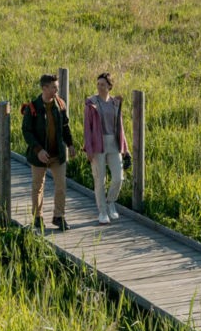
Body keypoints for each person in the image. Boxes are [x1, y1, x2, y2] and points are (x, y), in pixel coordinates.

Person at [22, 73, 74, 230]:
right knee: (38, 186)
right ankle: (38, 217)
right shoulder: (33, 107)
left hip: (57, 153)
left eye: (57, 87)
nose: (56, 90)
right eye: (53, 87)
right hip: (40, 155)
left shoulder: (60, 104)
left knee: (61, 185)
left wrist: (70, 144)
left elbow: (65, 126)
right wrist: (38, 150)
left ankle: (59, 216)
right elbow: (27, 131)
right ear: (44, 88)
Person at [83, 72, 129, 224]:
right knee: (99, 179)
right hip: (97, 144)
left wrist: (125, 149)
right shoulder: (91, 103)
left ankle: (110, 202)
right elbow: (87, 128)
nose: (100, 87)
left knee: (118, 178)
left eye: (103, 84)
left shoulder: (115, 103)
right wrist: (88, 149)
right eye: (98, 84)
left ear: (110, 86)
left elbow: (120, 127)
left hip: (114, 144)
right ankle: (102, 211)